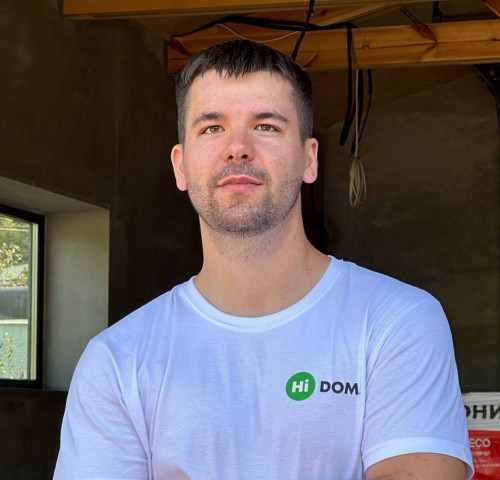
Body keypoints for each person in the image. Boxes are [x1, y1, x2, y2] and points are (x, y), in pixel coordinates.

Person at [54, 39, 473, 480]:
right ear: (180, 166)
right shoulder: (117, 360)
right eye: (211, 128)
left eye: (266, 126)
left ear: (309, 159)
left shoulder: (397, 321)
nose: (237, 148)